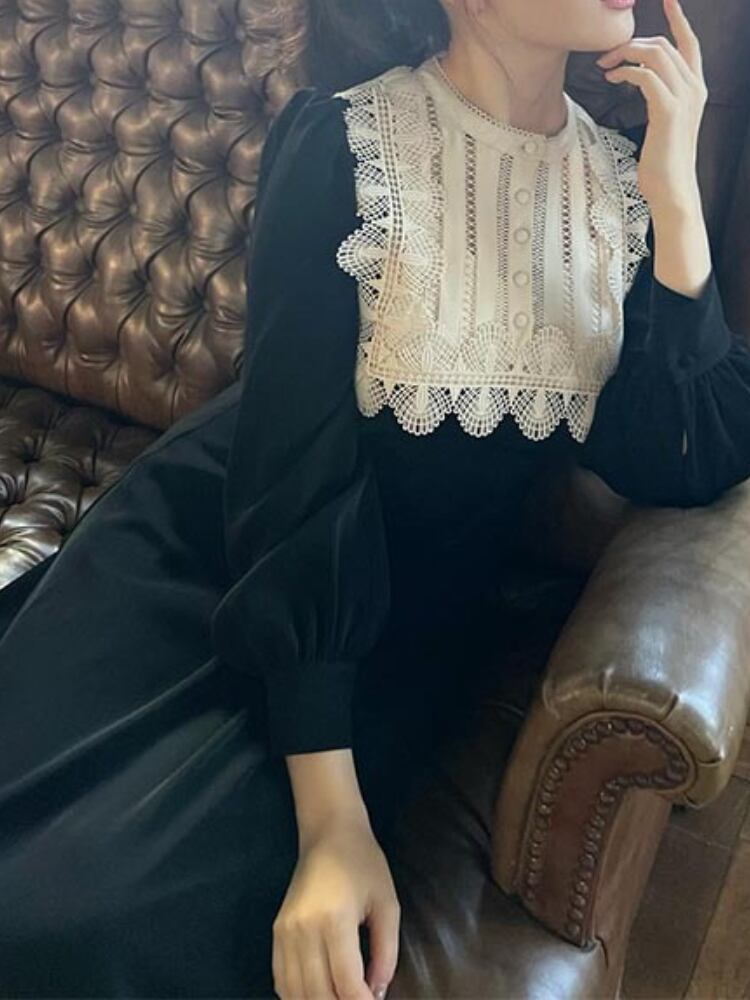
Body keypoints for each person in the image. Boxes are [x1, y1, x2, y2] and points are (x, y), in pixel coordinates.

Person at [1, 0, 749, 996]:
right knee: (38, 896)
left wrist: (676, 197)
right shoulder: (346, 141)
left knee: (122, 924)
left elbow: (686, 455)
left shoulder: (619, 188)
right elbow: (292, 474)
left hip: (397, 632)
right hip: (223, 555)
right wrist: (331, 825)